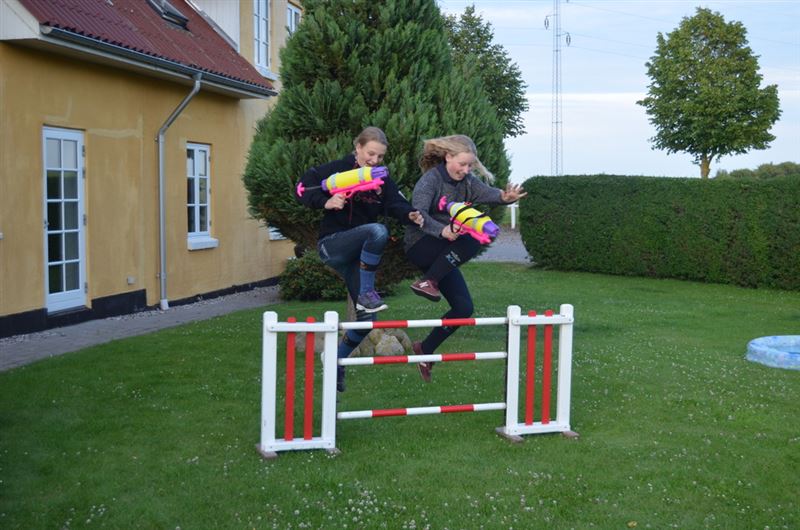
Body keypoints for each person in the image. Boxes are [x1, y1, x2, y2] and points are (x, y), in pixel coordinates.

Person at [298, 127, 424, 391]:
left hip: (356, 258)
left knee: (367, 322)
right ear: (358, 147)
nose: (374, 161)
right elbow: (302, 188)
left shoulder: (380, 178)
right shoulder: (337, 169)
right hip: (332, 245)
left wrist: (410, 215)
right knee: (377, 231)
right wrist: (325, 202)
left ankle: (336, 361)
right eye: (370, 154)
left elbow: (397, 203)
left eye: (380, 156)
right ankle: (367, 293)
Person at [404, 134, 526, 382]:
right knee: (471, 238)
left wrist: (504, 197)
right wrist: (442, 231)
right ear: (448, 157)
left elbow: (488, 193)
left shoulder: (468, 181)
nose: (466, 170)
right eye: (462, 164)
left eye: (470, 165)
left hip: (444, 250)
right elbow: (418, 215)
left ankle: (425, 349)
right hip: (421, 243)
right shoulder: (430, 180)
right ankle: (427, 281)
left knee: (463, 308)